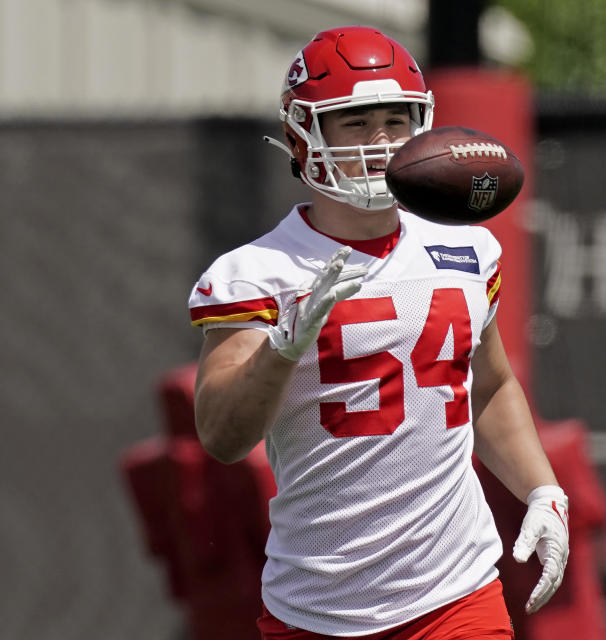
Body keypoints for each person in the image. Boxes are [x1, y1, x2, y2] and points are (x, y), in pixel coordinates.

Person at [188, 25, 569, 640]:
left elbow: (490, 388)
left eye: (396, 120)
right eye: (355, 123)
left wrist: (543, 491)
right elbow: (223, 438)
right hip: (317, 602)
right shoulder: (256, 273)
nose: (380, 142)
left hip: (457, 593)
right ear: (302, 136)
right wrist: (282, 348)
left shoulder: (466, 246)